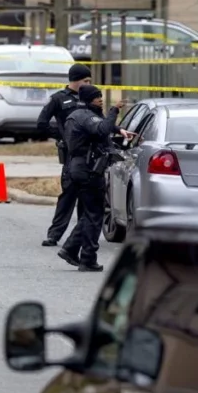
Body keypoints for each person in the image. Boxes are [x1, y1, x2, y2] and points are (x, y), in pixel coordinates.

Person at [58, 85, 134, 272]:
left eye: (100, 96)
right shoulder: (85, 115)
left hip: (81, 168)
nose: (100, 99)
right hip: (88, 170)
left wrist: (119, 130)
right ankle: (88, 258)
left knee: (91, 213)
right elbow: (101, 129)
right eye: (96, 97)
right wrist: (114, 110)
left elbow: (100, 127)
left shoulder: (81, 114)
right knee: (94, 215)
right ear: (88, 99)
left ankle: (70, 248)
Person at [38, 63, 92, 247]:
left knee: (88, 194)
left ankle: (84, 234)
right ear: (76, 80)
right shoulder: (58, 99)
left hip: (90, 152)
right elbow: (42, 123)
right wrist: (62, 135)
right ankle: (54, 234)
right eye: (85, 80)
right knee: (68, 194)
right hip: (71, 153)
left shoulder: (90, 96)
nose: (88, 84)